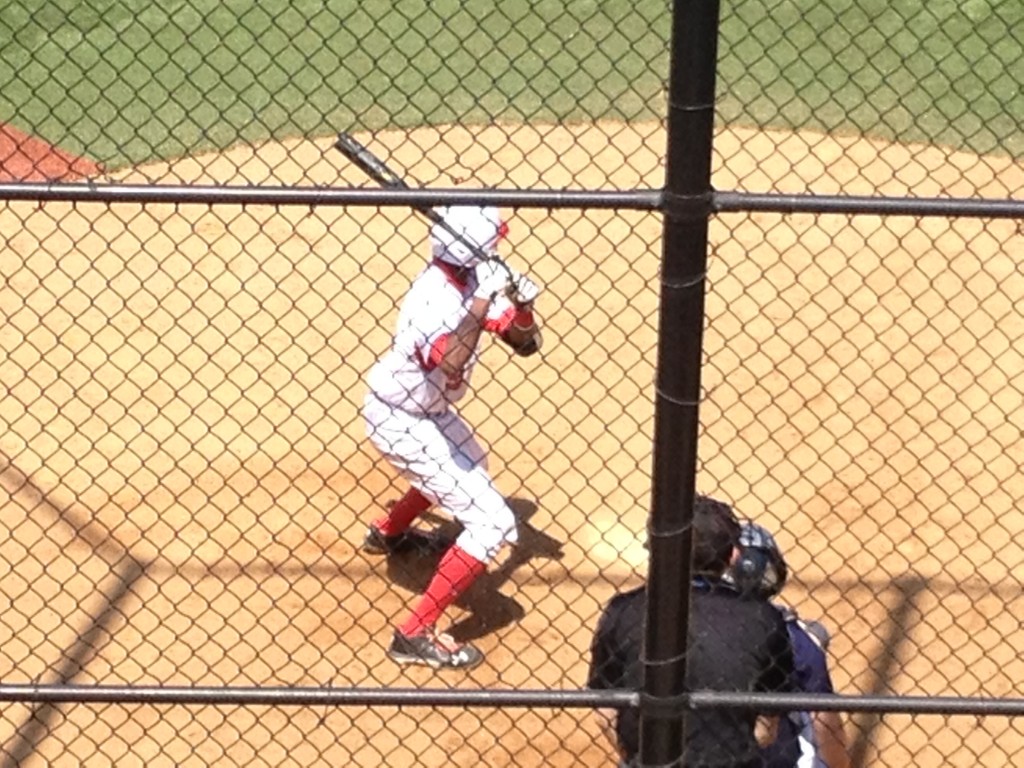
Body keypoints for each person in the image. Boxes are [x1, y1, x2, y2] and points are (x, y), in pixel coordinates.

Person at [361, 204, 543, 670]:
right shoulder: (433, 300)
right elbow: (451, 362)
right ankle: (414, 633)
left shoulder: (473, 276)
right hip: (399, 420)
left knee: (469, 468)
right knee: (492, 523)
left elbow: (526, 345)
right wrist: (482, 302)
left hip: (430, 414)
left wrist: (521, 306)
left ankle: (389, 533)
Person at [587, 494, 795, 767]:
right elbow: (766, 729)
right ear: (733, 555)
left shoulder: (623, 611)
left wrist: (638, 759)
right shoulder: (763, 617)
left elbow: (604, 712)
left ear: (656, 550)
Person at [730, 522, 851, 768]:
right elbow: (826, 725)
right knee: (807, 711)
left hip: (687, 754)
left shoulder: (670, 632)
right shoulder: (793, 637)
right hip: (775, 759)